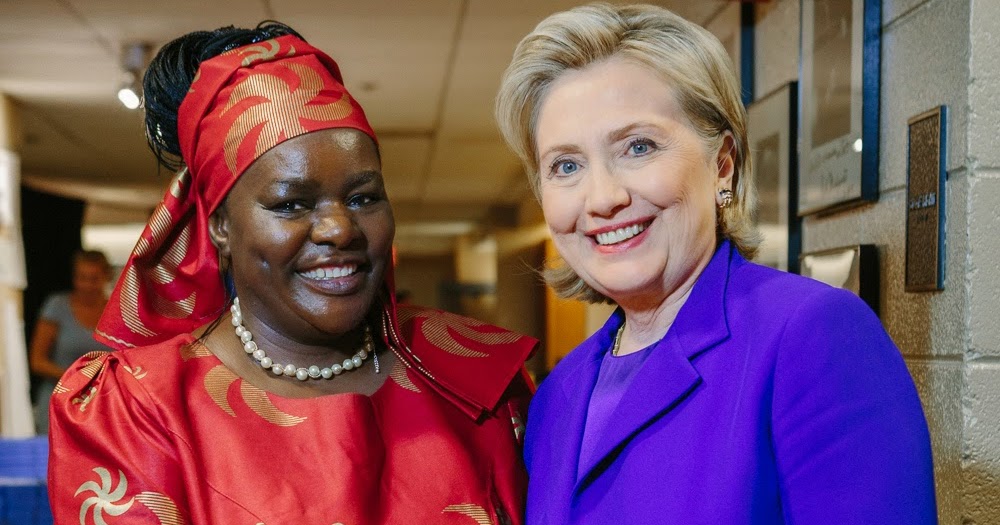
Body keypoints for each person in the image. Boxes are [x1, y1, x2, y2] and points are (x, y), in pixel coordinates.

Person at [48, 22, 536, 524]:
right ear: (220, 226)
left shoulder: (475, 379)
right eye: (291, 203)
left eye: (363, 197)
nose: (339, 228)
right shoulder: (140, 408)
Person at [494, 4, 936, 524]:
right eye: (566, 165)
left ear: (721, 166)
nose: (602, 197)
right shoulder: (555, 398)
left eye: (638, 147)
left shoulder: (812, 337)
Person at [29, 249, 114, 434]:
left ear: (106, 277)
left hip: (103, 403)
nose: (87, 285)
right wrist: (78, 378)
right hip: (60, 399)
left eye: (94, 279)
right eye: (82, 278)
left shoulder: (117, 311)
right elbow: (37, 361)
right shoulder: (56, 306)